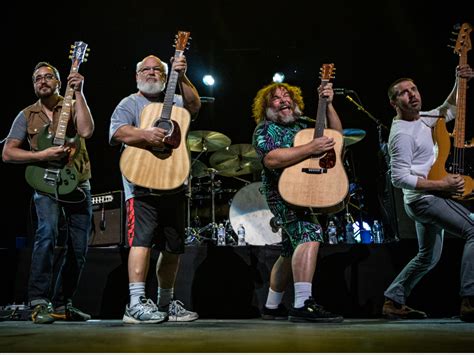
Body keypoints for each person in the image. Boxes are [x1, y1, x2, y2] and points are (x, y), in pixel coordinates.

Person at [109, 54, 201, 324]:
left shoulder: (177, 102)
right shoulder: (130, 103)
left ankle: (164, 301)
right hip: (141, 185)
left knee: (173, 247)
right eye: (146, 70)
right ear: (137, 76)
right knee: (142, 241)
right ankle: (135, 303)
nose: (151, 73)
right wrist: (145, 135)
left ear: (165, 75)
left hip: (174, 182)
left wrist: (182, 75)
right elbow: (116, 133)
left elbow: (195, 106)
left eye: (157, 70)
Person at [2, 61, 94, 324]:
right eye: (37, 78)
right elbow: (7, 153)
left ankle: (63, 303)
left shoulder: (73, 104)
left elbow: (87, 131)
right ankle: (39, 301)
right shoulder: (27, 115)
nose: (42, 81)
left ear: (58, 81)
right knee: (47, 233)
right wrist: (43, 154)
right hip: (44, 183)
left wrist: (79, 92)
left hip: (77, 182)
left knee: (79, 246)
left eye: (48, 77)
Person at [383, 64, 474, 322]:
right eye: (403, 93)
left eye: (413, 89)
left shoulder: (424, 117)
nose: (411, 94)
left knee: (427, 257)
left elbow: (450, 109)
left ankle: (393, 300)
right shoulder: (400, 134)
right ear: (394, 103)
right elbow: (398, 178)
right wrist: (442, 186)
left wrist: (459, 79)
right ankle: (470, 300)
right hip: (425, 199)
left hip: (423, 200)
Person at [252, 82, 344, 322]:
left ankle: (272, 306)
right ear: (266, 106)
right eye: (276, 98)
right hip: (282, 194)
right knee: (310, 232)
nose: (284, 100)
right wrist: (310, 147)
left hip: (306, 191)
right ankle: (303, 303)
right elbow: (271, 159)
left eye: (287, 96)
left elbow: (337, 136)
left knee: (289, 248)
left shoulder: (305, 126)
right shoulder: (265, 128)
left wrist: (329, 104)